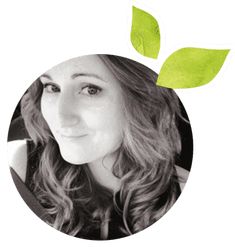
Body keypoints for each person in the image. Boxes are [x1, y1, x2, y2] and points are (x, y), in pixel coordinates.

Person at [8, 54, 191, 240]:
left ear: (142, 98)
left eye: (90, 90)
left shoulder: (185, 193)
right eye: (52, 87)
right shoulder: (23, 170)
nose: (61, 117)